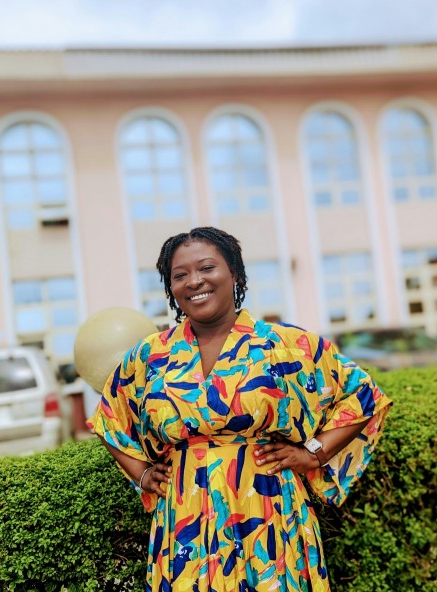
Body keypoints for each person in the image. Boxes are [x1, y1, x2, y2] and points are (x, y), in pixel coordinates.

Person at [87, 226, 392, 591]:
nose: (194, 281)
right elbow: (109, 416)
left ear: (234, 272)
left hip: (267, 509)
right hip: (184, 517)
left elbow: (362, 394)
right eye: (179, 275)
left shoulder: (283, 343)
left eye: (207, 268)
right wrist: (141, 475)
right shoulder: (151, 355)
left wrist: (313, 454)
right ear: (170, 289)